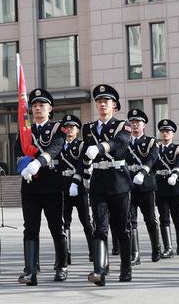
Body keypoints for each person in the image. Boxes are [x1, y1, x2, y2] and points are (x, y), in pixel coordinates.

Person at [76, 84, 133, 286]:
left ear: (114, 106)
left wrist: (100, 147)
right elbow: (85, 156)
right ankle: (99, 270)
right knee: (100, 228)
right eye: (99, 101)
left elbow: (120, 143)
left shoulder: (123, 125)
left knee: (121, 228)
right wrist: (81, 176)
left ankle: (126, 268)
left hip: (118, 181)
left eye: (105, 102)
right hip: (98, 181)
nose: (101, 104)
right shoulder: (89, 128)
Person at [15, 88, 66, 285]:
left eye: (41, 105)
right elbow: (17, 151)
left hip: (51, 182)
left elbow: (56, 147)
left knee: (56, 226)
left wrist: (38, 162)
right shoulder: (25, 131)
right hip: (30, 184)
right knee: (30, 228)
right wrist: (24, 167)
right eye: (34, 106)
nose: (37, 108)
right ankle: (30, 270)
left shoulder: (57, 128)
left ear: (50, 108)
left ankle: (61, 265)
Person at [125, 109, 161, 263]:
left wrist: (143, 172)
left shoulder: (151, 142)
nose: (134, 125)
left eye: (137, 122)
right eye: (132, 122)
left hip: (145, 185)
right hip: (128, 186)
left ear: (144, 125)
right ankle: (135, 254)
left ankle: (156, 248)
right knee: (130, 220)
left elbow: (152, 158)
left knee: (150, 219)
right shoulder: (124, 141)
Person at [58, 114, 94, 266]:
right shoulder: (58, 145)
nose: (69, 130)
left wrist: (76, 181)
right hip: (63, 186)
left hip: (78, 187)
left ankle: (93, 251)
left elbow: (81, 164)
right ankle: (66, 253)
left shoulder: (81, 145)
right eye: (66, 128)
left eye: (72, 128)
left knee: (86, 221)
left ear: (77, 130)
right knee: (64, 222)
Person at [154, 119, 179, 257]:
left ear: (173, 134)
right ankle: (168, 248)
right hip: (160, 186)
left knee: (177, 218)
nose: (165, 133)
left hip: (174, 187)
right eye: (163, 131)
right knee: (163, 218)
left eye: (168, 131)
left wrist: (175, 174)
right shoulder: (155, 148)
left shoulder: (178, 148)